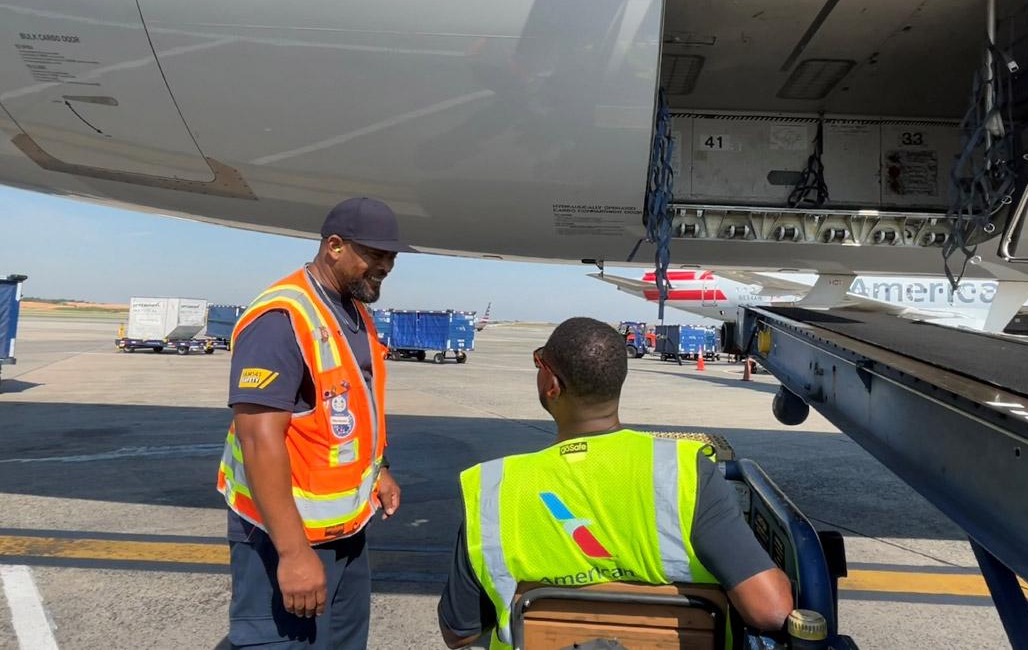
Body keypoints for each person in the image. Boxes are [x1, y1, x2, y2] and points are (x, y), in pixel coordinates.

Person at [437, 317, 793, 649]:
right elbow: (771, 610)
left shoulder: (494, 488)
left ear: (552, 385)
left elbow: (458, 632)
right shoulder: (686, 472)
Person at [217, 196, 404, 649]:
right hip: (282, 535)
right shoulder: (282, 317)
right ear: (334, 246)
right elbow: (260, 439)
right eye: (375, 255)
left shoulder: (354, 312)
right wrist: (294, 553)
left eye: (391, 257)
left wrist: (378, 469)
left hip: (347, 533)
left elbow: (348, 407)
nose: (385, 266)